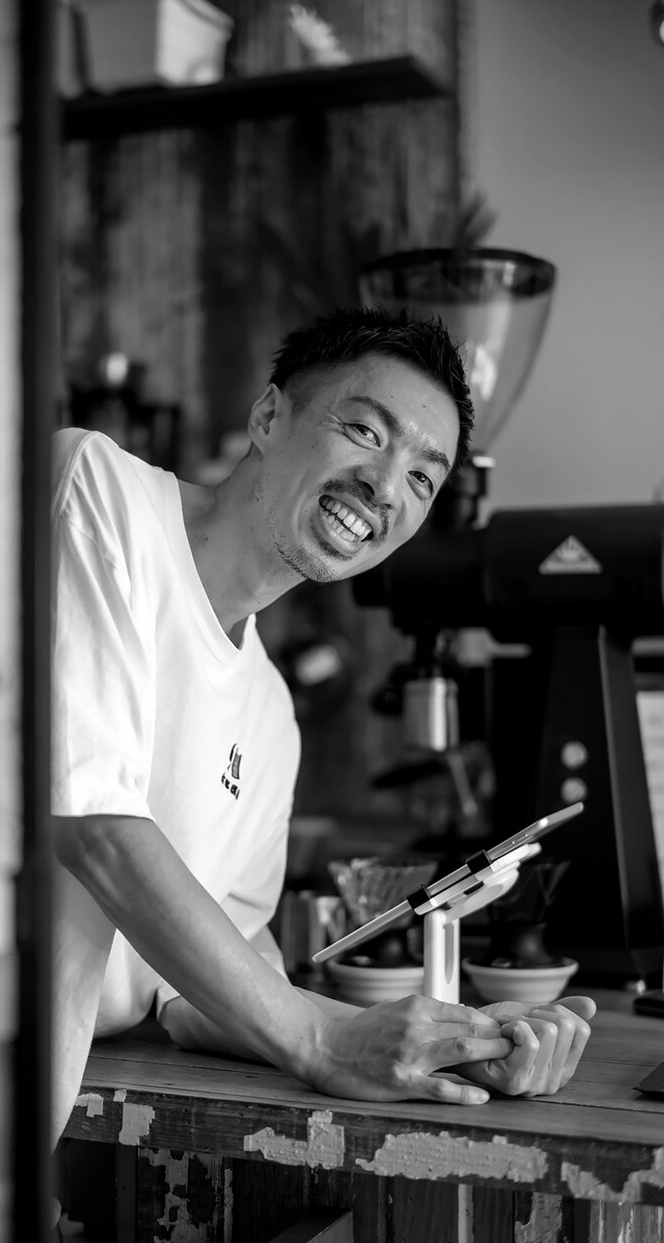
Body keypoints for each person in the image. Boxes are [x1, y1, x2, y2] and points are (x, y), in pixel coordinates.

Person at [49, 306, 595, 1147]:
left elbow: (201, 990)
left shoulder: (269, 713)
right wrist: (319, 1040)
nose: (385, 487)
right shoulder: (97, 490)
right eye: (364, 431)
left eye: (422, 478)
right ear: (268, 416)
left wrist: (449, 1047)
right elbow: (93, 825)